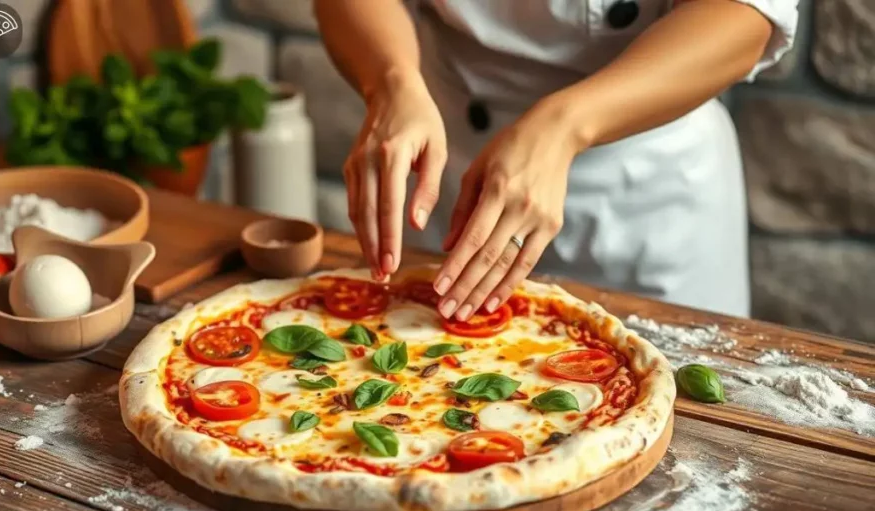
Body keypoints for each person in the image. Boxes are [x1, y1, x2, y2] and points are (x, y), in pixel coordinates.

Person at [314, 0, 798, 320]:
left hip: (647, 191)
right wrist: (391, 82)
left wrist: (562, 126)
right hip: (448, 164)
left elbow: (746, 15)